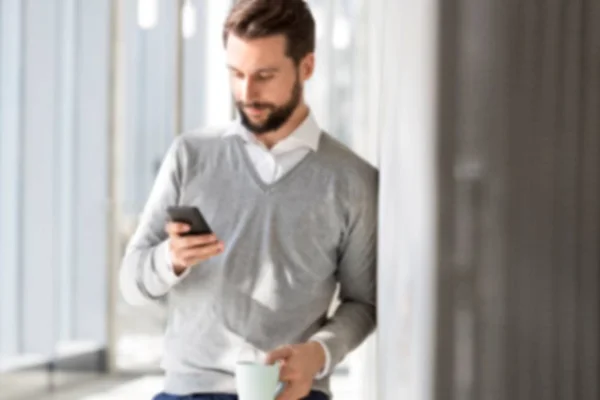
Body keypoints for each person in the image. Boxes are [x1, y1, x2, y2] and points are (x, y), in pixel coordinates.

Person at [119, 0, 378, 399]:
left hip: (292, 393)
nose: (246, 92)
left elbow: (363, 302)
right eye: (236, 74)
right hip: (189, 391)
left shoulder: (353, 180)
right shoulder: (190, 156)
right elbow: (131, 282)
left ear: (306, 67)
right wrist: (170, 258)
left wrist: (319, 353)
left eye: (264, 75)